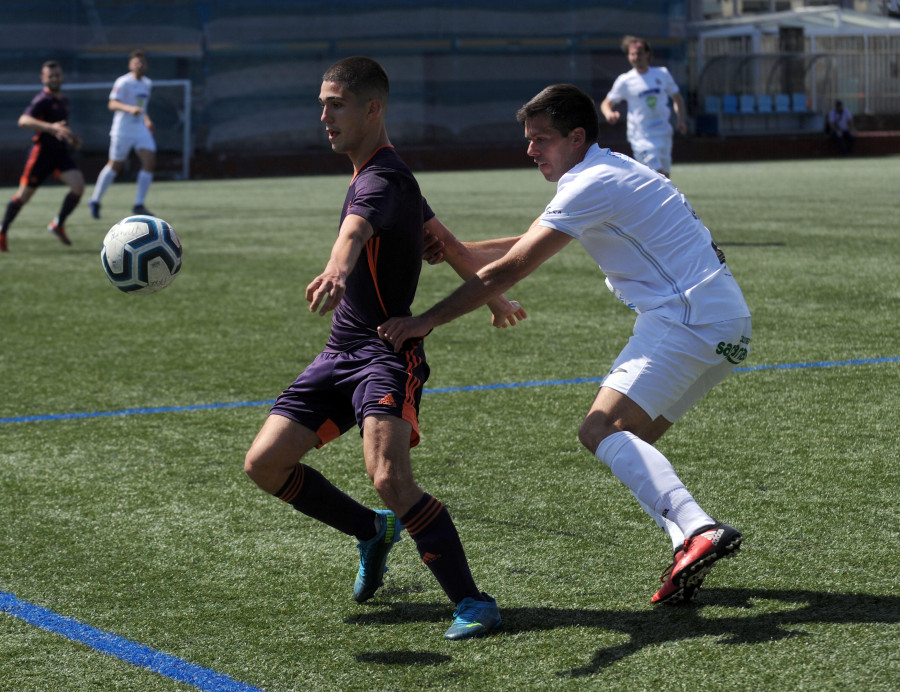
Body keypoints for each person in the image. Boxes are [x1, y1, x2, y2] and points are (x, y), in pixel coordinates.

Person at [379, 83, 752, 605]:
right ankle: (686, 542)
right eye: (528, 139)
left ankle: (698, 530)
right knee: (634, 442)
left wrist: (427, 320)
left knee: (599, 429)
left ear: (577, 137)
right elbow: (531, 240)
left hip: (686, 315)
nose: (530, 150)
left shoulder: (589, 183)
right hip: (726, 321)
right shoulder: (608, 170)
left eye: (542, 139)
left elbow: (514, 266)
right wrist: (454, 248)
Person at [243, 56, 522, 640]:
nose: (324, 116)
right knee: (264, 463)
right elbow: (444, 242)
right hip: (341, 348)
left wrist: (335, 269)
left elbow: (354, 233)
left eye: (335, 104)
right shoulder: (390, 176)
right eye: (321, 103)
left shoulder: (380, 181)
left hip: (386, 353)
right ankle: (371, 531)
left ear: (373, 108)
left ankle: (473, 601)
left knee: (390, 477)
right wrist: (495, 299)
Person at [0, 61, 84, 253]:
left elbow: (61, 130)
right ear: (43, 79)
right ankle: (2, 231)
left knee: (78, 186)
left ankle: (57, 224)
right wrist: (51, 127)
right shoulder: (42, 100)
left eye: (57, 75)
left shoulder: (63, 100)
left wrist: (71, 139)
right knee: (23, 197)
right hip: (42, 154)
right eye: (50, 76)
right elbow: (23, 120)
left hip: (60, 153)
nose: (54, 78)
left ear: (62, 77)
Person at [600, 35, 687, 178]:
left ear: (647, 54)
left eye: (639, 53)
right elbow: (606, 104)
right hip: (641, 138)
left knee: (665, 178)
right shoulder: (625, 80)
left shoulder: (662, 74)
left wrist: (681, 120)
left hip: (663, 134)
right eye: (632, 54)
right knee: (656, 175)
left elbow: (677, 99)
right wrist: (609, 113)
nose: (636, 57)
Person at [88, 49, 156, 219]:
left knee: (149, 162)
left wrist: (146, 119)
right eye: (136, 62)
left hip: (140, 129)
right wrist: (129, 108)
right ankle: (95, 200)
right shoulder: (123, 82)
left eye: (142, 62)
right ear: (130, 65)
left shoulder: (147, 83)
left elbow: (142, 107)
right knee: (115, 166)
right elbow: (112, 104)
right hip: (123, 130)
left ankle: (138, 204)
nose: (139, 65)